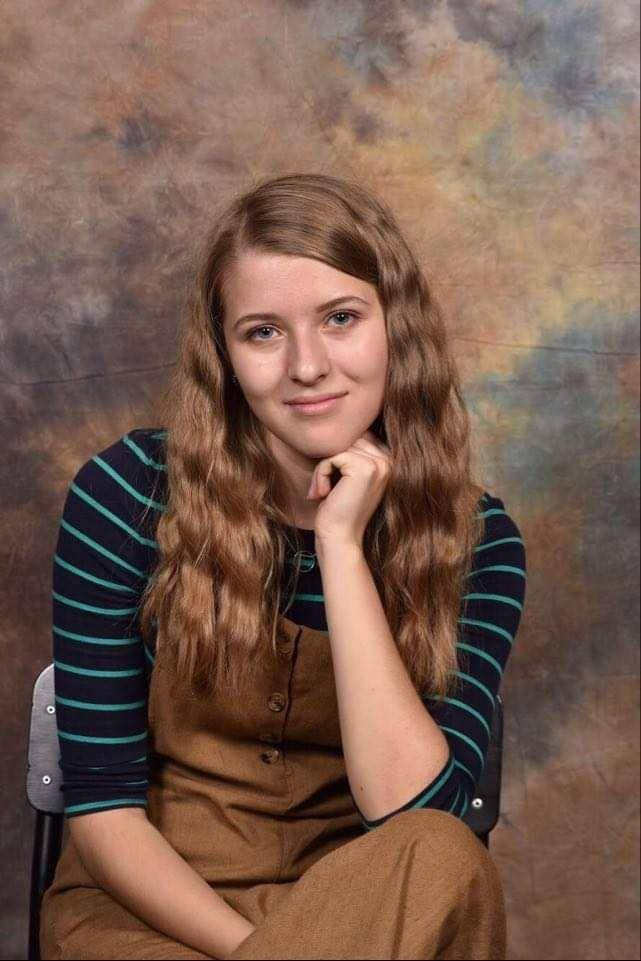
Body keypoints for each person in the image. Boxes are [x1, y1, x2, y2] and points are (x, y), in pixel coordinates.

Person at [39, 172, 526, 960]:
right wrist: (264, 951)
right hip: (152, 915)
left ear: (395, 327)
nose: (306, 366)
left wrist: (340, 546)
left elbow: (416, 817)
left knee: (444, 853)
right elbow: (102, 812)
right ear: (225, 357)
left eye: (340, 318)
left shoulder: (475, 541)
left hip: (368, 918)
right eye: (263, 332)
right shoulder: (126, 494)